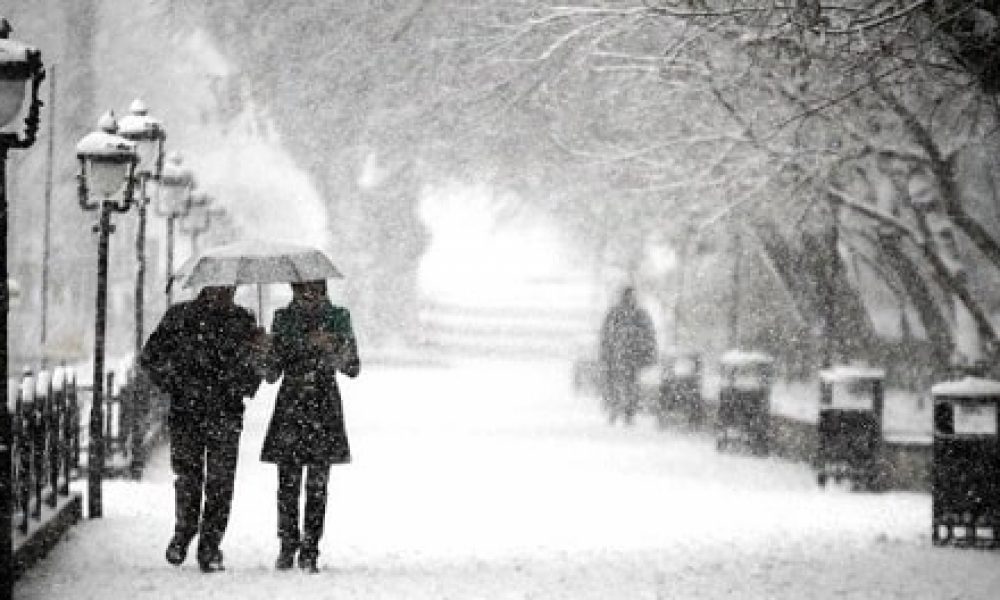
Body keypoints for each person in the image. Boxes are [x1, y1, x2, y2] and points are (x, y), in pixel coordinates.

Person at [140, 285, 266, 573]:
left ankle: (210, 545)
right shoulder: (180, 316)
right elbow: (150, 357)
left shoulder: (243, 321)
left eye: (231, 288)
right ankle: (184, 533)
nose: (228, 292)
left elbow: (256, 370)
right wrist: (174, 382)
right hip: (187, 411)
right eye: (222, 287)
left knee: (220, 483)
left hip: (226, 412)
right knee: (188, 478)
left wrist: (258, 355)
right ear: (208, 285)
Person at [260, 279, 360, 573]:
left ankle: (311, 547)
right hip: (292, 403)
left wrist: (334, 349)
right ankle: (287, 544)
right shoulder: (283, 318)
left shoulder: (338, 317)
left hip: (323, 403)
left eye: (315, 289)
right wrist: (267, 350)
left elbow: (353, 367)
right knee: (287, 484)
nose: (309, 295)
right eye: (303, 289)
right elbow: (271, 374)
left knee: (318, 484)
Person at [598, 285, 658, 425]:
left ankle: (622, 411)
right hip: (626, 356)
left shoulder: (618, 313)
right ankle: (623, 411)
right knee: (626, 384)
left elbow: (606, 335)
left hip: (624, 357)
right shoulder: (634, 314)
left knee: (623, 384)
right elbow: (649, 336)